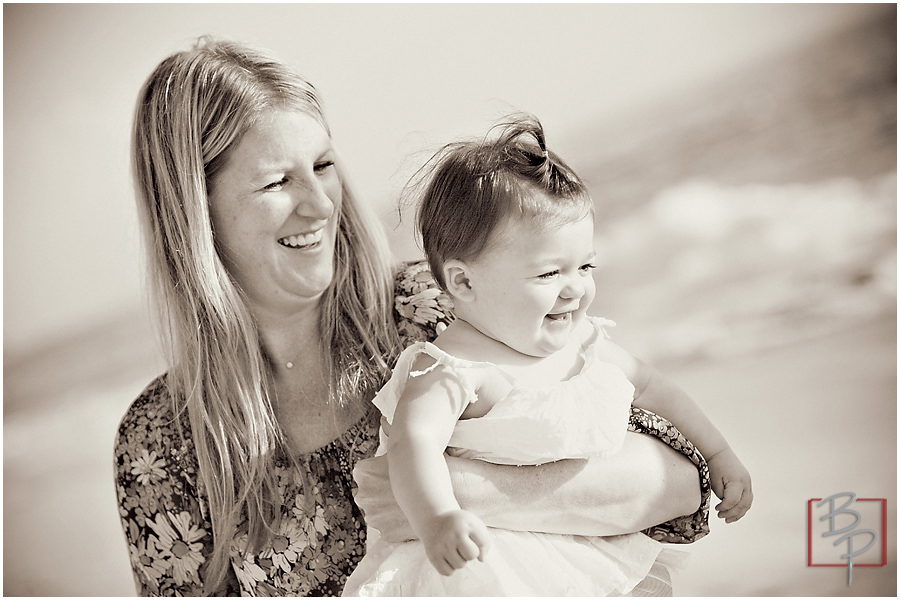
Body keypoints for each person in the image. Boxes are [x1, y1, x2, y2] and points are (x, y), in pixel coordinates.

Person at [114, 37, 709, 597]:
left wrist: (466, 494)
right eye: (277, 181)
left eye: (322, 166)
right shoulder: (159, 444)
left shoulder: (437, 304)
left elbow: (678, 478)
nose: (320, 204)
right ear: (196, 213)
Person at [343, 115, 752, 596]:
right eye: (547, 275)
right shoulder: (451, 367)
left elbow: (652, 387)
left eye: (585, 265)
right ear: (464, 282)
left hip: (583, 550)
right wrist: (438, 518)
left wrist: (719, 453)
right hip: (487, 567)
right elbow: (415, 444)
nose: (575, 288)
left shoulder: (582, 343)